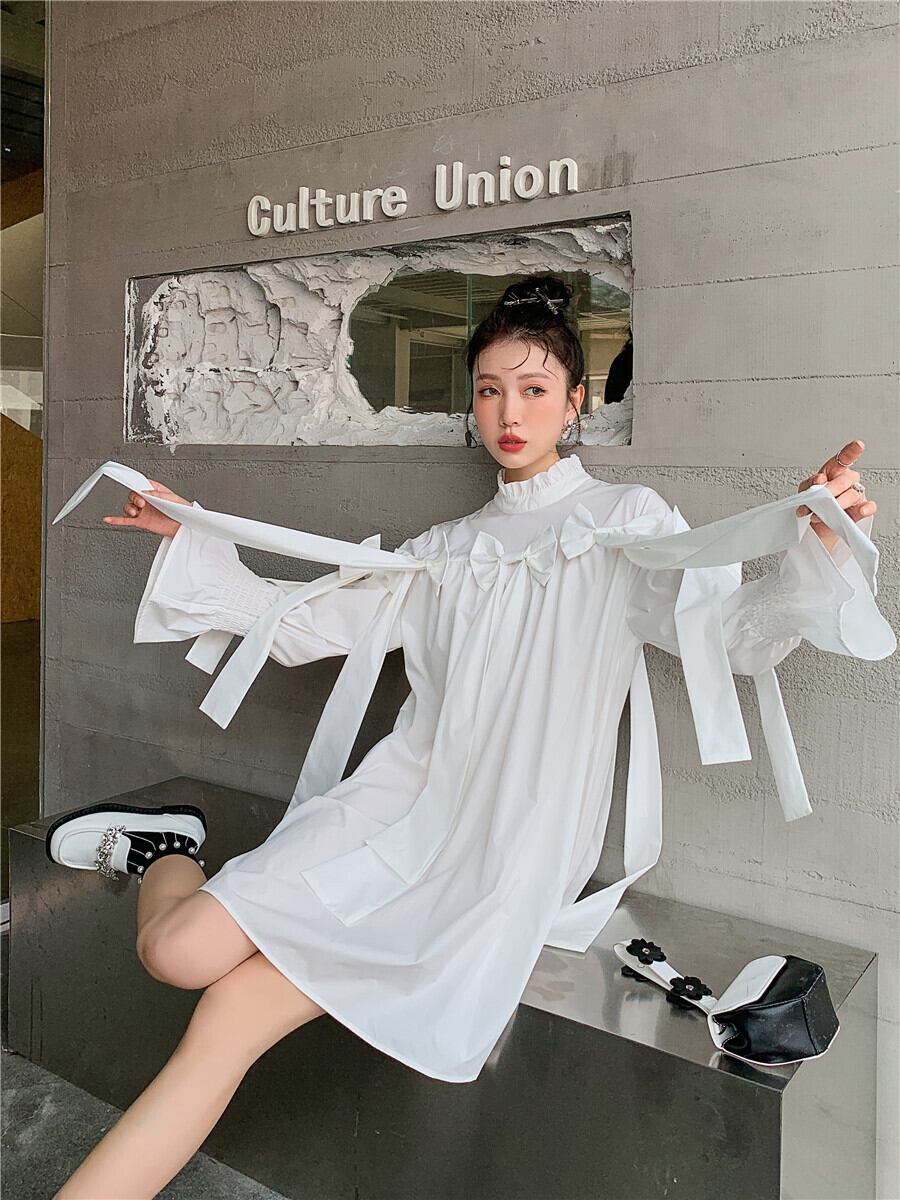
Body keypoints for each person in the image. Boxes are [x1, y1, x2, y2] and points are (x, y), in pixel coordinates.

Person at [45, 275, 893, 1199]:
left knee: (227, 1016)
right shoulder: (445, 550)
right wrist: (192, 539)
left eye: (534, 389)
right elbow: (302, 627)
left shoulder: (624, 522)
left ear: (576, 402)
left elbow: (729, 636)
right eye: (489, 390)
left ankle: (167, 855)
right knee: (174, 954)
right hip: (392, 810)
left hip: (501, 852)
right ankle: (170, 851)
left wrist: (812, 548)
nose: (509, 413)